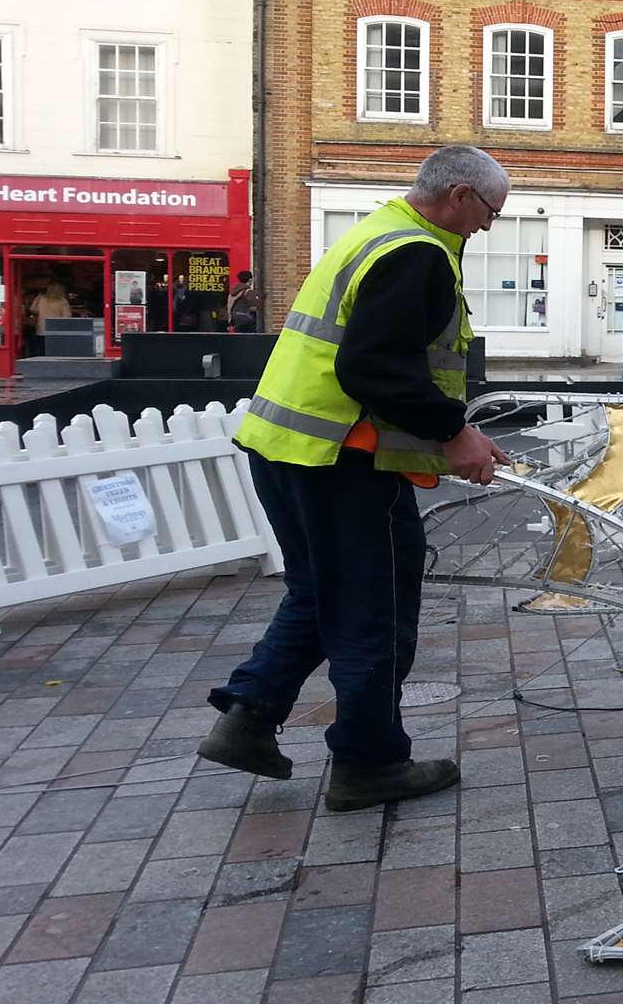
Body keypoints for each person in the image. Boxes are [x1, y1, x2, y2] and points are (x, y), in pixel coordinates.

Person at [199, 145, 512, 812]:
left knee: (321, 594)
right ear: (459, 195)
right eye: (490, 211)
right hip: (344, 459)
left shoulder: (379, 232)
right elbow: (374, 369)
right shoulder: (415, 252)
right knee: (375, 610)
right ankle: (368, 764)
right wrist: (454, 433)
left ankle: (248, 718)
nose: (488, 227)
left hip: (286, 447)